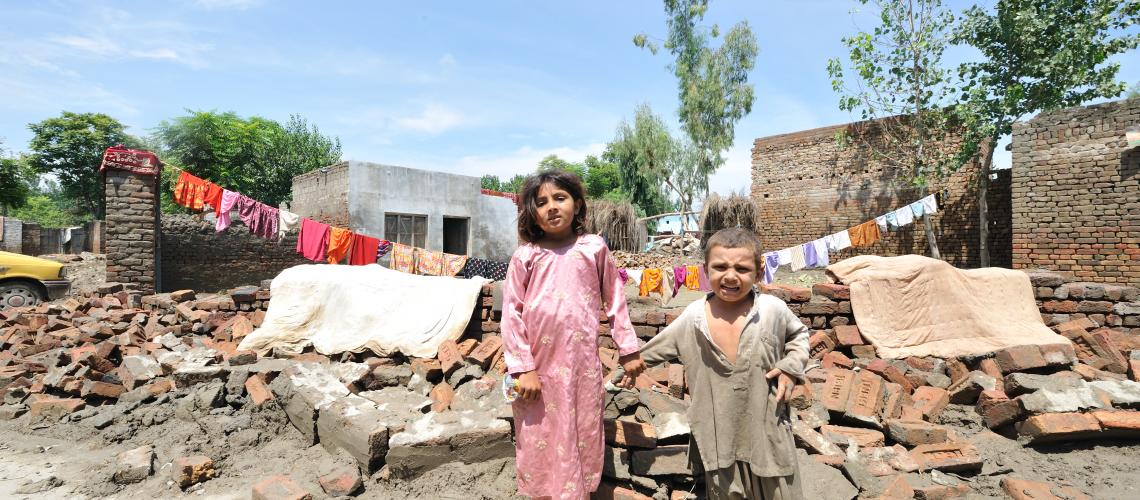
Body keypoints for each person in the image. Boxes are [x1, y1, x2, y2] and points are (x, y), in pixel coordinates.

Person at [500, 169, 647, 499]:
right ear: (532, 214)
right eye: (541, 202)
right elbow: (511, 314)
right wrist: (523, 368)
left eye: (560, 198)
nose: (551, 206)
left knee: (579, 433)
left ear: (578, 205)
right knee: (538, 438)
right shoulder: (525, 256)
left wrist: (629, 348)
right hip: (537, 372)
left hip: (581, 369)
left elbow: (615, 298)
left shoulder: (593, 248)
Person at [635, 227, 810, 500]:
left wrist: (791, 367)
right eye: (720, 267)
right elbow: (651, 351)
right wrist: (624, 369)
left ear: (759, 270)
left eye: (741, 268)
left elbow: (799, 336)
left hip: (768, 432)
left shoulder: (772, 310)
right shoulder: (694, 317)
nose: (730, 276)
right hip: (719, 438)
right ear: (705, 270)